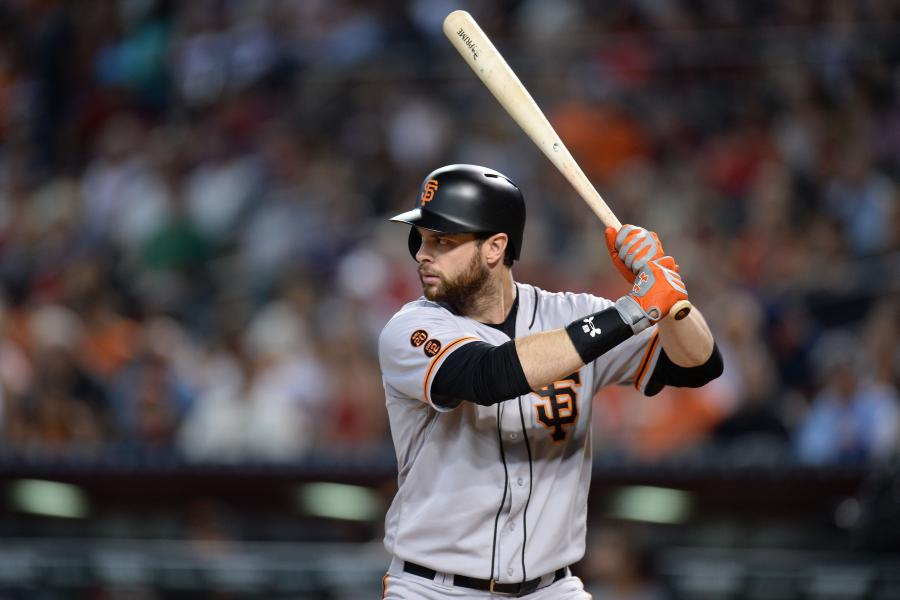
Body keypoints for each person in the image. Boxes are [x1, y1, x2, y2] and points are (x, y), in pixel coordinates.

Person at [378, 164, 722, 599]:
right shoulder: (410, 328)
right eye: (423, 239)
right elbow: (491, 375)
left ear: (495, 247)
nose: (423, 254)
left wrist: (667, 294)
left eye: (443, 240)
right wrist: (632, 310)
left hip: (551, 588)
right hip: (434, 589)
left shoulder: (572, 315)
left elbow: (699, 364)